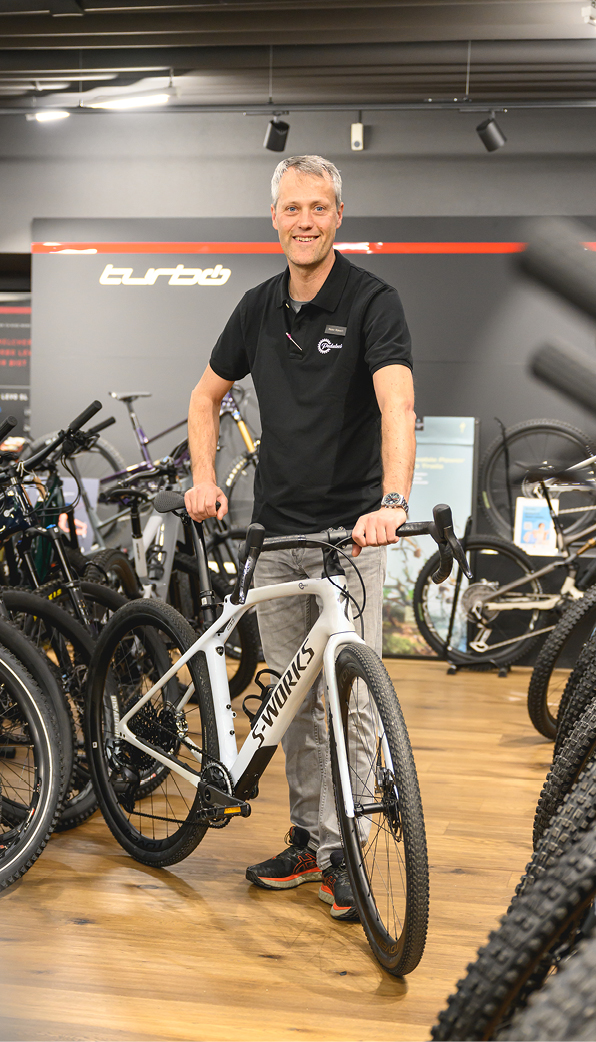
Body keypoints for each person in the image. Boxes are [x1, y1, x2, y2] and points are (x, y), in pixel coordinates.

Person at [185, 155, 415, 921]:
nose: (305, 220)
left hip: (351, 538)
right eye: (293, 208)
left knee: (352, 700)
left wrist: (392, 502)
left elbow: (397, 405)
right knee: (294, 704)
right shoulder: (257, 307)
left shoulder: (372, 300)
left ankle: (347, 849)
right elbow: (205, 395)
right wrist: (204, 477)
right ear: (275, 217)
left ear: (338, 216)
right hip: (275, 535)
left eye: (319, 207)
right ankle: (314, 842)